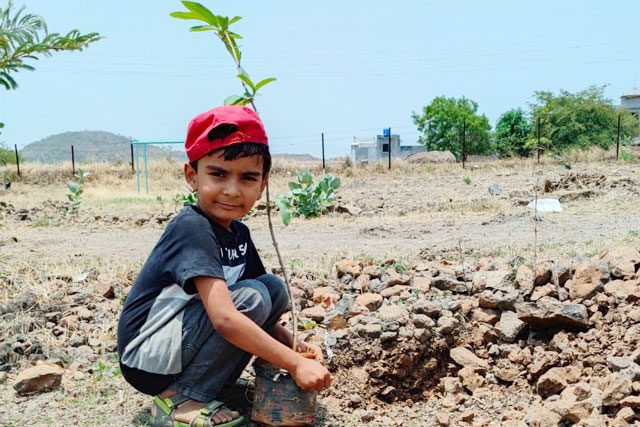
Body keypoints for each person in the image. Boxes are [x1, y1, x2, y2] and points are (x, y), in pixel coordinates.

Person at [117, 105, 332, 427]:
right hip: (147, 356)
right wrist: (293, 364)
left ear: (262, 185)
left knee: (270, 289)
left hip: (177, 345)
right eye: (218, 174)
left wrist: (293, 344)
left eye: (248, 177)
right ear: (192, 176)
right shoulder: (191, 227)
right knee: (252, 298)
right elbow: (226, 318)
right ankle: (178, 399)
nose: (232, 190)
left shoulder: (239, 234)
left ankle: (202, 385)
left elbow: (260, 313)